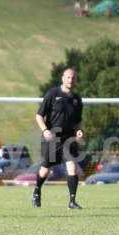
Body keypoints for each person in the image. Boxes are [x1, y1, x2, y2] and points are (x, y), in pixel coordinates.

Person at [32, 68, 84, 209]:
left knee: (72, 167)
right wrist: (45, 130)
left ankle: (72, 201)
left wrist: (79, 131)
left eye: (73, 78)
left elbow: (78, 121)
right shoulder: (52, 94)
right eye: (68, 77)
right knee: (45, 170)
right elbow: (39, 116)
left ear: (76, 80)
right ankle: (37, 190)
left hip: (69, 138)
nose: (70, 80)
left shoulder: (77, 99)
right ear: (62, 78)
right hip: (53, 137)